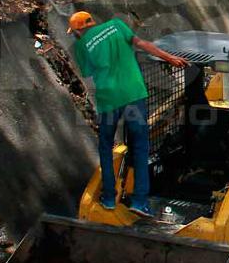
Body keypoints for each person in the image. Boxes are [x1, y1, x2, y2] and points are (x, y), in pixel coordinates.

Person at [68, 11, 187, 217]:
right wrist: (170, 58)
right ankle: (139, 202)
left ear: (78, 30)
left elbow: (88, 72)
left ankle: (108, 198)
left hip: (108, 101)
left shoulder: (81, 45)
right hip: (133, 94)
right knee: (140, 147)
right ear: (92, 22)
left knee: (106, 147)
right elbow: (143, 45)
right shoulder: (116, 25)